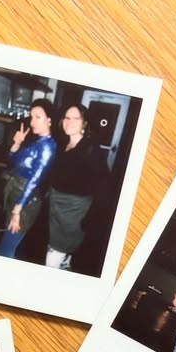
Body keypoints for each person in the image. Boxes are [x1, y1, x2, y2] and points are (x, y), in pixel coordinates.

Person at [45, 104, 109, 269]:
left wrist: (89, 219)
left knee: (52, 259)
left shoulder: (91, 150)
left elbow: (103, 188)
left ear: (84, 123)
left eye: (76, 118)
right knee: (60, 257)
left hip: (74, 213)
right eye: (67, 118)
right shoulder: (63, 144)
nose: (69, 122)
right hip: (56, 208)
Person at [0, 99, 57, 259]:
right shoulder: (35, 141)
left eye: (38, 117)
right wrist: (16, 144)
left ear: (49, 120)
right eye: (31, 117)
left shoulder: (47, 146)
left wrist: (17, 211)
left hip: (25, 202)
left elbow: (34, 180)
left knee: (5, 250)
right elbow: (12, 163)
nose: (32, 122)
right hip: (16, 194)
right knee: (15, 246)